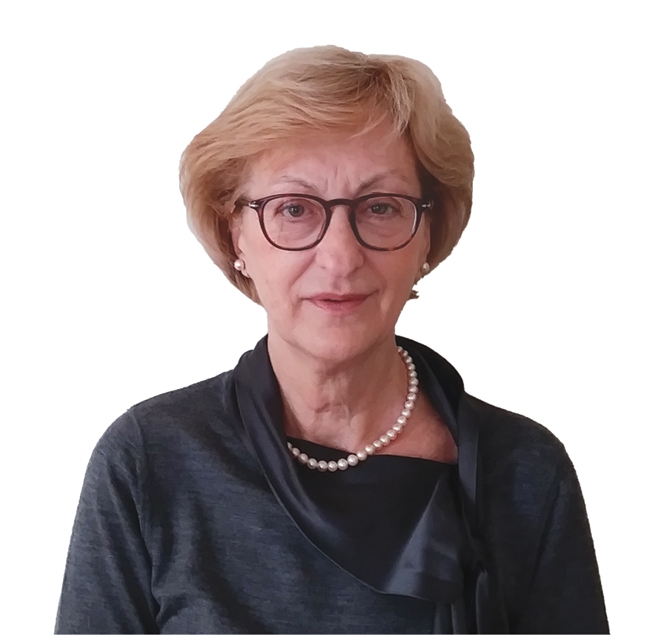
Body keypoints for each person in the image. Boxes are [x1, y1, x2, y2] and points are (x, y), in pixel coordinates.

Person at [55, 46, 609, 634]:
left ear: (427, 236)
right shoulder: (148, 461)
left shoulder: (525, 473)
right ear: (235, 234)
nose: (340, 257)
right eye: (294, 209)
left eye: (380, 207)